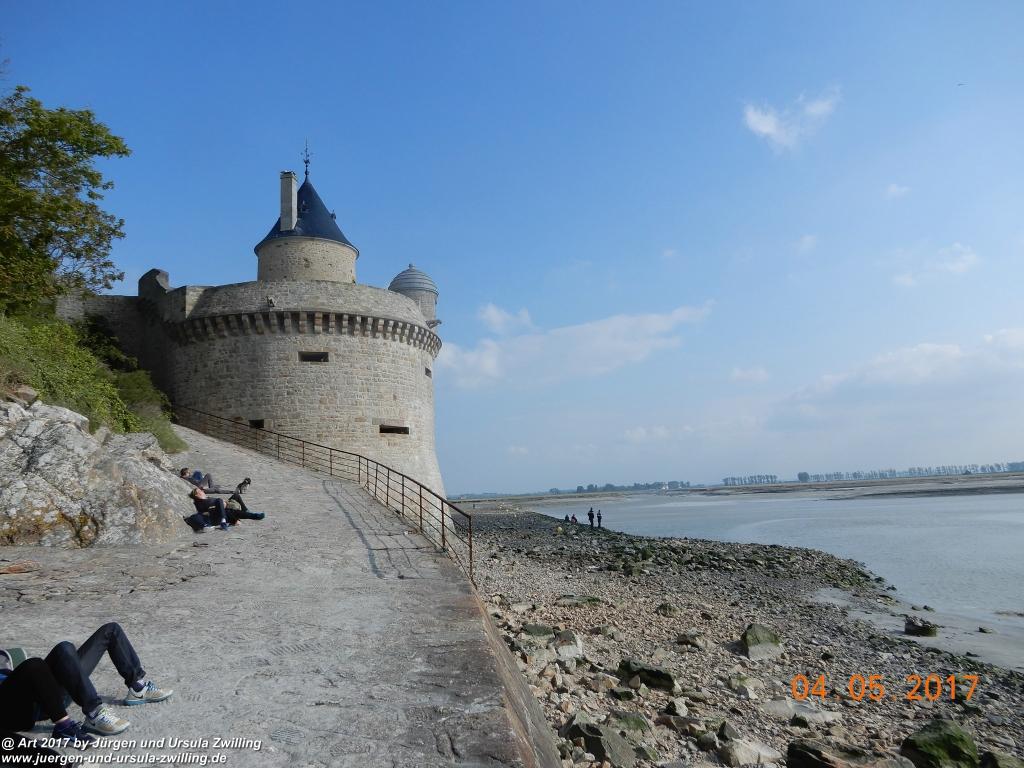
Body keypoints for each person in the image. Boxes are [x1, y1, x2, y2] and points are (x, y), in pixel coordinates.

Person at [0, 623, 173, 742]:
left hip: (48, 691)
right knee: (34, 665)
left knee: (98, 634)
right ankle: (88, 715)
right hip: (23, 708)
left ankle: (138, 687)